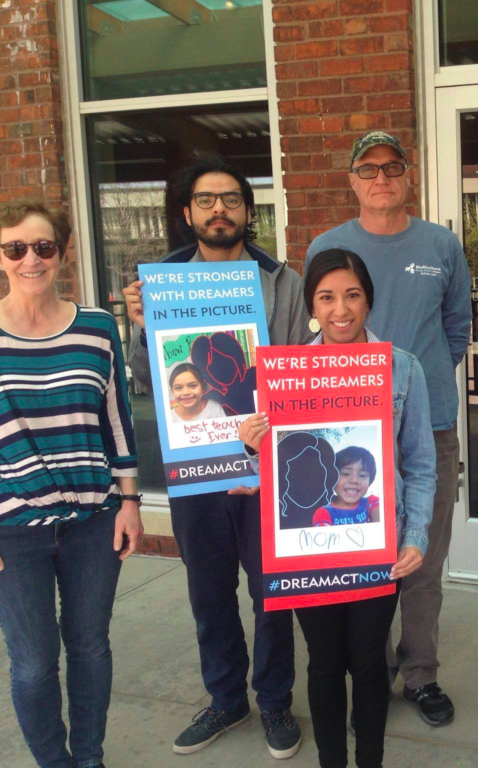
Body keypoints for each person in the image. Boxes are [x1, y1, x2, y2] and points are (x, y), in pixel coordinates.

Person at [123, 155, 313, 758]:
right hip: (195, 468)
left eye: (231, 199)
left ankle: (275, 701)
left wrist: (269, 457)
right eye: (205, 200)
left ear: (248, 210)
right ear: (188, 213)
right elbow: (145, 377)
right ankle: (227, 700)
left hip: (263, 466)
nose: (219, 210)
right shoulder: (161, 283)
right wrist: (139, 326)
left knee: (272, 593)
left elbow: (297, 374)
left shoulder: (283, 281)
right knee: (208, 592)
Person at [239, 248, 436, 768]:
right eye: (326, 297)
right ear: (312, 306)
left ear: (368, 301)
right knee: (324, 663)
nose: (340, 309)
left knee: (369, 662)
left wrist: (415, 536)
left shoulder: (402, 369)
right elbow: (272, 475)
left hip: (379, 547)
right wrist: (251, 447)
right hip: (309, 548)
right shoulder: (285, 373)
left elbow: (421, 466)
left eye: (352, 295)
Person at [304, 130, 470, 726]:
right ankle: (368, 672)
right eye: (368, 168)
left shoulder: (441, 244)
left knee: (420, 559)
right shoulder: (328, 245)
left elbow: (456, 328)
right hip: (348, 432)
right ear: (352, 180)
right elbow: (316, 330)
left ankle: (420, 673)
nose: (381, 178)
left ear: (408, 176)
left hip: (428, 424)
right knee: (357, 556)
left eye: (392, 167)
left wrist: (414, 387)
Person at [0, 199, 143, 768]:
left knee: (89, 648)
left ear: (62, 252)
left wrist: (130, 501)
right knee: (34, 663)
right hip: (12, 529)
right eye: (15, 248)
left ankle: (89, 758)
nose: (30, 259)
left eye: (43, 247)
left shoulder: (97, 328)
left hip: (93, 521)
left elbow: (118, 421)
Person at [312, 447, 381, 526]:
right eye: (346, 473)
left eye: (362, 475)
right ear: (333, 477)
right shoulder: (324, 513)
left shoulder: (371, 502)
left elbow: (382, 520)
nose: (354, 480)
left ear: (370, 481)